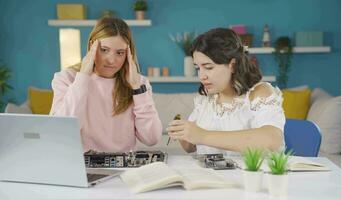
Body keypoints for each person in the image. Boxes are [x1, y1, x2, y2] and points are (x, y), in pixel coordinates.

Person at [50, 17, 162, 152]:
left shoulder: (139, 83)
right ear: (92, 46)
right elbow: (61, 131)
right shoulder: (66, 78)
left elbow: (152, 139)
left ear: (128, 54)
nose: (111, 60)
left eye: (119, 53)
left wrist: (137, 89)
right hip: (80, 165)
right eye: (104, 50)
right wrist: (83, 77)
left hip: (123, 168)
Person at [167, 28, 285, 156]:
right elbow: (190, 147)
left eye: (208, 67)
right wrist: (182, 133)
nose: (201, 76)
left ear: (232, 65)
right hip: (210, 175)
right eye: (198, 68)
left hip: (252, 175)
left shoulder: (259, 94)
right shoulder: (207, 101)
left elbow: (272, 140)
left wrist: (203, 135)